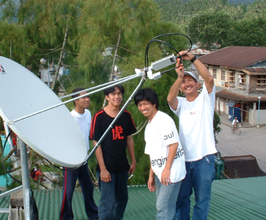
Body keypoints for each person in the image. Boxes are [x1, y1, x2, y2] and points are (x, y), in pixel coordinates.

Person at [167, 51, 217, 220]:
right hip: (184, 160)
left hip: (205, 158)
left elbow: (209, 80)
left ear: (197, 84)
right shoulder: (180, 104)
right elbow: (170, 99)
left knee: (202, 201)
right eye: (185, 82)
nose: (187, 84)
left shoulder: (206, 99)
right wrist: (179, 77)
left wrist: (194, 59)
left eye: (190, 81)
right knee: (182, 199)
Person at [134, 88, 186, 220]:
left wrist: (167, 168)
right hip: (160, 173)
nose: (143, 107)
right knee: (166, 209)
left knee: (163, 209)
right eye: (140, 105)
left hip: (171, 174)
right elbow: (153, 153)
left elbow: (173, 144)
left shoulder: (163, 120)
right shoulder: (149, 125)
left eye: (145, 104)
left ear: (154, 103)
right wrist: (151, 176)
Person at [90, 84, 136, 220]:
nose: (117, 97)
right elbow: (96, 143)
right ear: (107, 97)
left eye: (119, 94)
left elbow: (129, 139)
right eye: (113, 94)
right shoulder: (99, 117)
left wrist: (133, 161)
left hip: (122, 167)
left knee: (122, 200)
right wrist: (103, 169)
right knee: (107, 204)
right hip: (107, 168)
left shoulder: (126, 115)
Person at [60, 88, 98, 220]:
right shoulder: (69, 118)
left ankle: (93, 214)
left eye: (88, 97)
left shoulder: (88, 114)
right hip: (71, 160)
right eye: (84, 97)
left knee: (88, 187)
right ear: (76, 100)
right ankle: (66, 217)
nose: (87, 99)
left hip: (84, 159)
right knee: (68, 191)